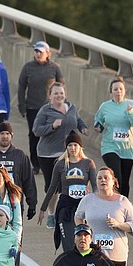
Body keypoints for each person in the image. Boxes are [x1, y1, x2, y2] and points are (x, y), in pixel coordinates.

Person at [32, 82, 87, 226]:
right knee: (53, 186)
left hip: (67, 153)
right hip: (47, 153)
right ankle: (51, 214)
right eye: (55, 93)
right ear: (50, 96)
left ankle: (67, 213)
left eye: (61, 93)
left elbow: (78, 120)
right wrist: (52, 126)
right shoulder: (45, 111)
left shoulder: (71, 108)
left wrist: (83, 128)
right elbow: (36, 130)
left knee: (69, 183)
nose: (59, 96)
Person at [38, 130, 97, 252]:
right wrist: (43, 209)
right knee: (69, 244)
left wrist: (99, 205)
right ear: (66, 147)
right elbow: (52, 187)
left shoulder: (88, 164)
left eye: (75, 145)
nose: (73, 148)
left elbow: (95, 187)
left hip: (83, 207)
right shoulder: (60, 164)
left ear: (80, 147)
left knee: (84, 244)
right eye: (70, 145)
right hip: (65, 208)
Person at [18, 41, 64, 174]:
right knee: (35, 135)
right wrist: (22, 105)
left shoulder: (54, 68)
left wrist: (62, 105)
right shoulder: (28, 67)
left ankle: (51, 161)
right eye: (36, 51)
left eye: (41, 52)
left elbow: (61, 86)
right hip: (33, 107)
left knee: (51, 133)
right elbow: (21, 86)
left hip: (51, 108)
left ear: (47, 54)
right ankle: (36, 164)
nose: (38, 54)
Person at [93, 77, 133, 197]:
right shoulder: (105, 106)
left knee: (125, 181)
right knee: (117, 177)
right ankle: (113, 203)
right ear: (111, 92)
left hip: (128, 149)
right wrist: (98, 127)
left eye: (121, 89)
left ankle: (124, 206)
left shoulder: (131, 105)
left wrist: (130, 114)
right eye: (115, 89)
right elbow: (97, 121)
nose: (118, 91)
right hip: (110, 146)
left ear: (125, 91)